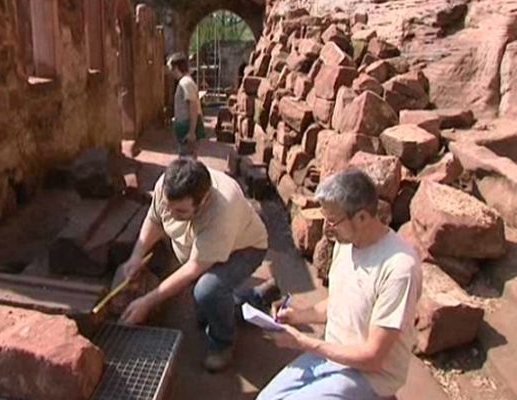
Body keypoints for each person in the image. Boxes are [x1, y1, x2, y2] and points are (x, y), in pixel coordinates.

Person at [257, 168, 422, 400]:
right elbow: (342, 301)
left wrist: (303, 342)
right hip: (333, 353)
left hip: (370, 374)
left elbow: (372, 358)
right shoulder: (345, 242)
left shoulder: (399, 269)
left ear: (362, 217)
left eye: (333, 220)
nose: (327, 228)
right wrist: (297, 316)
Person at [120, 158, 269, 372]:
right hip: (204, 248)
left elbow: (194, 268)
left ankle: (222, 343)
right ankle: (254, 298)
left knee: (208, 290)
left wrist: (147, 301)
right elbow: (155, 219)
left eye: (180, 211)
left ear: (204, 199)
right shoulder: (168, 184)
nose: (171, 214)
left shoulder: (222, 210)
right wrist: (136, 256)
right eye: (169, 207)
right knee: (206, 313)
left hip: (244, 249)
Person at [167, 52, 205, 158]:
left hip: (187, 128)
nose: (169, 71)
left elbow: (193, 106)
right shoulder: (184, 82)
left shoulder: (186, 83)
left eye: (170, 67)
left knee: (187, 160)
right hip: (184, 126)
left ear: (176, 67)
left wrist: (191, 132)